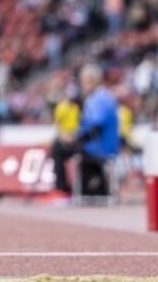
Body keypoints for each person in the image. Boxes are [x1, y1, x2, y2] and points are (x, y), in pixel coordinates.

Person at [51, 64, 119, 197]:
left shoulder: (99, 98)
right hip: (99, 144)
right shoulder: (99, 97)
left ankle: (62, 190)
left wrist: (74, 138)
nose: (82, 86)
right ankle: (87, 189)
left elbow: (95, 127)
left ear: (91, 81)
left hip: (99, 147)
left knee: (58, 147)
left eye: (83, 82)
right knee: (67, 144)